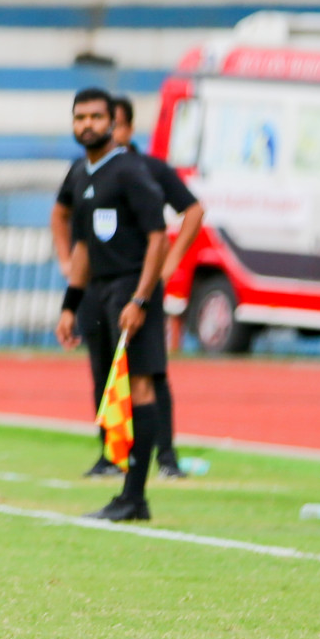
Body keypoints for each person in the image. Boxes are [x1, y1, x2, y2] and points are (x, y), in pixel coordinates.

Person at [52, 95, 203, 479]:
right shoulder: (84, 172)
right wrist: (70, 299)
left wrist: (150, 287)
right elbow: (79, 234)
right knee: (105, 372)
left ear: (123, 126)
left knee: (146, 377)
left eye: (100, 118)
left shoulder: (136, 170)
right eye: (80, 117)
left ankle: (159, 464)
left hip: (132, 287)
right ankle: (113, 456)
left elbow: (166, 229)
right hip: (97, 290)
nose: (89, 125)